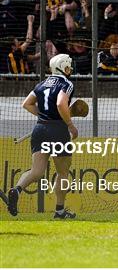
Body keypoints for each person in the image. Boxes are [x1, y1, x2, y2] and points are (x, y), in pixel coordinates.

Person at [7, 54, 78, 219]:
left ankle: (17, 189)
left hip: (40, 129)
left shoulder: (41, 84)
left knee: (37, 171)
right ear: (62, 67)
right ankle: (59, 211)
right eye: (68, 66)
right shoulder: (66, 83)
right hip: (58, 130)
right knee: (62, 172)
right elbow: (61, 103)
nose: (70, 69)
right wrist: (70, 125)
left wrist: (45, 115)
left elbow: (26, 104)